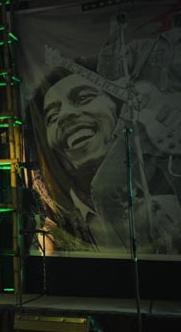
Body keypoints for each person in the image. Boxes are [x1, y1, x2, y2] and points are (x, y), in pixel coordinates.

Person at [29, 63, 181, 254]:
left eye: (84, 98)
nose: (66, 115)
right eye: (52, 116)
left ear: (118, 109)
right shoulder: (57, 216)